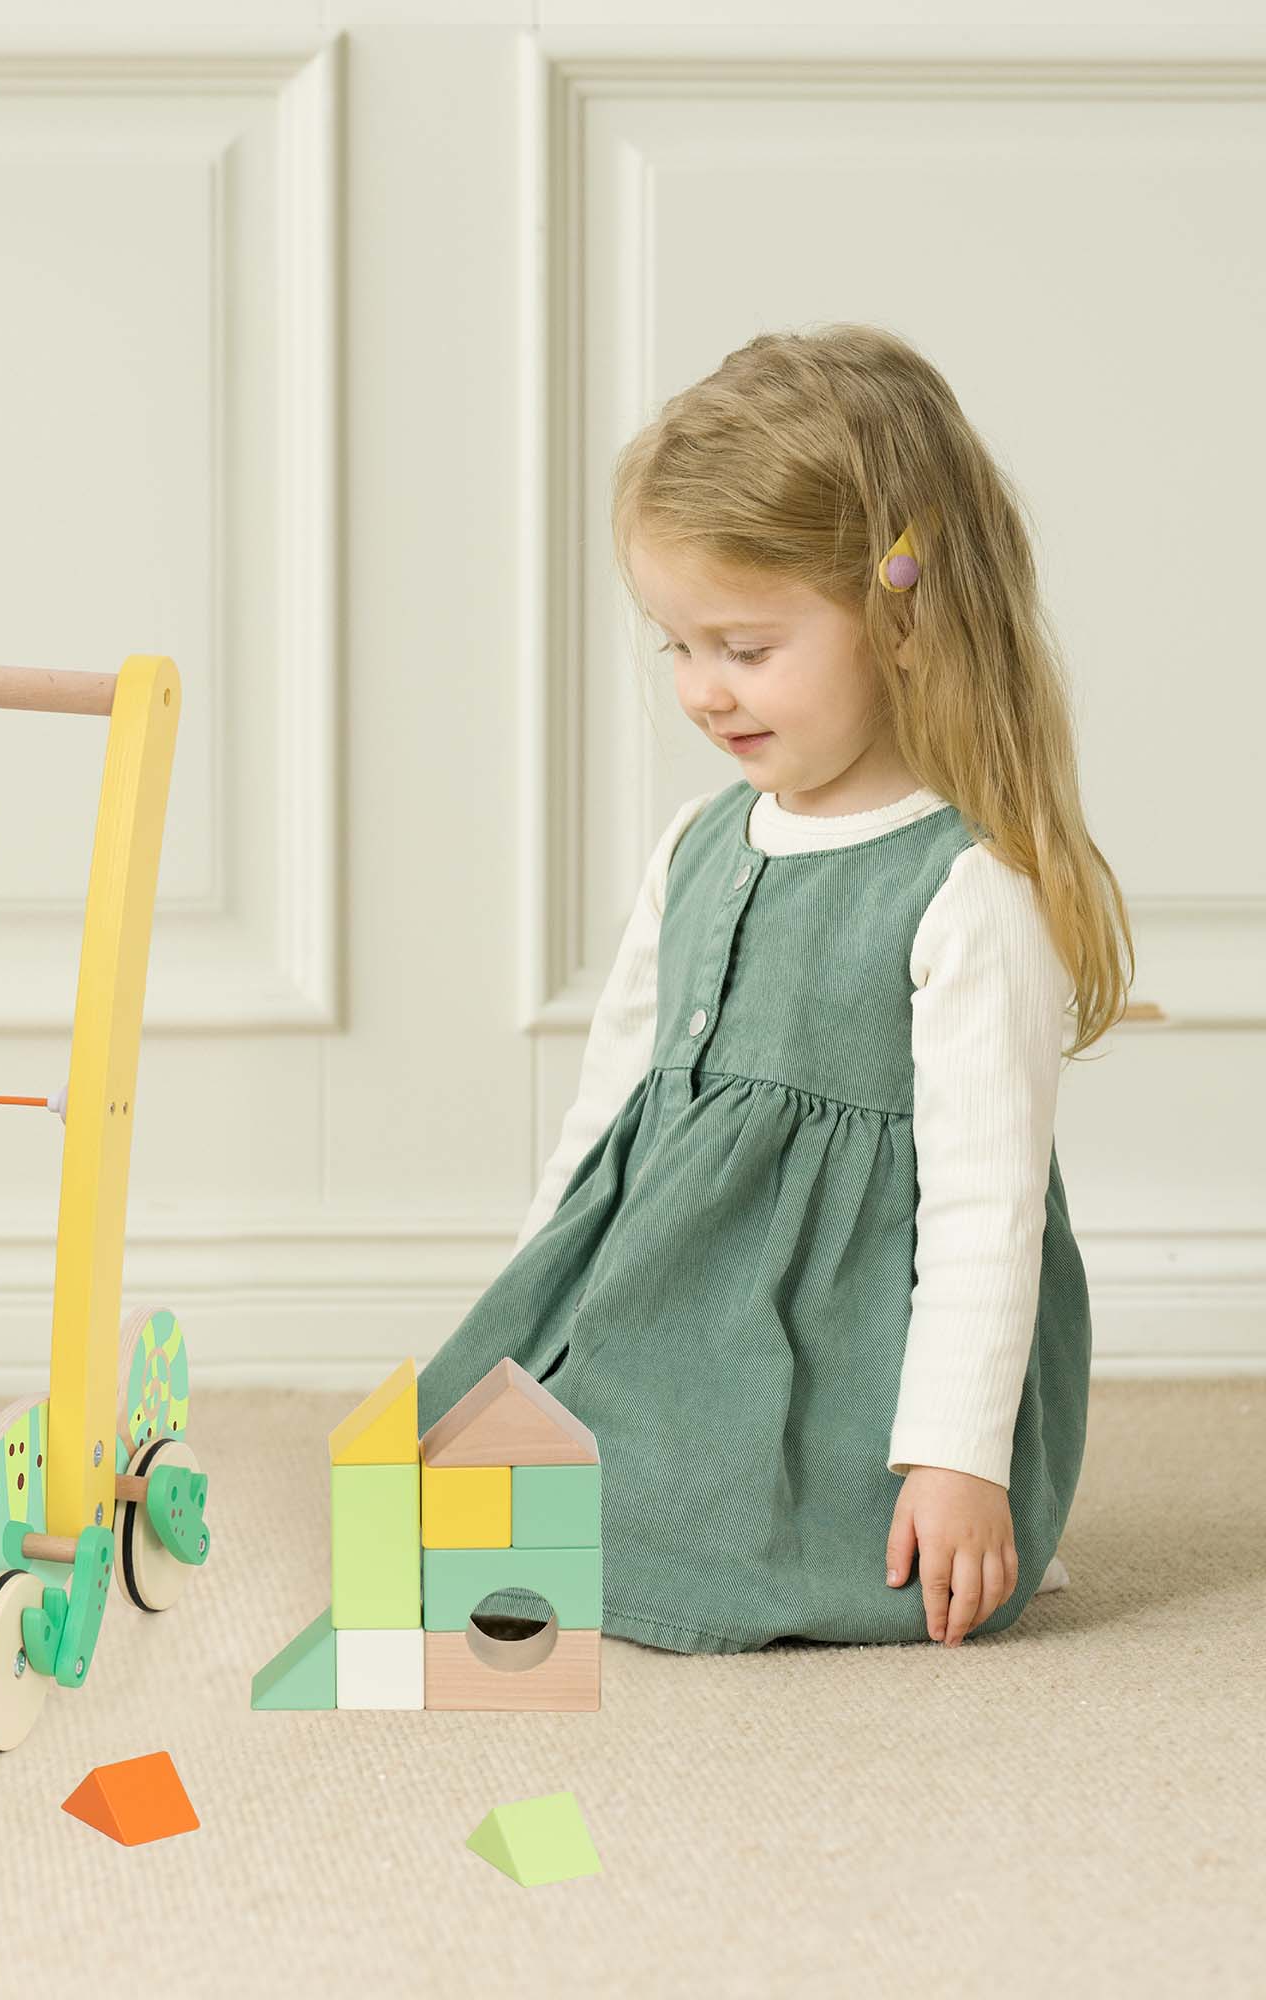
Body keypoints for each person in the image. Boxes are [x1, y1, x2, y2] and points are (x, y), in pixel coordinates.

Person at [416, 325, 1133, 1653]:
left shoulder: (965, 889)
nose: (701, 692)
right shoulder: (698, 846)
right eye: (675, 648)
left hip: (837, 1355)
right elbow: (610, 1112)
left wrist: (957, 1458)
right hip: (661, 1301)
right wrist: (529, 1315)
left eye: (744, 647)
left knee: (704, 1541)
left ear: (902, 617)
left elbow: (991, 1209)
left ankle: (766, 1509)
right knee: (433, 1491)